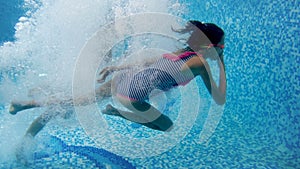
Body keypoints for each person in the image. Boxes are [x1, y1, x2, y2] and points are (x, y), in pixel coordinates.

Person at [9, 20, 226, 137]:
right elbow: (218, 98)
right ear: (212, 46)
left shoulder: (181, 52)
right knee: (168, 127)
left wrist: (116, 67)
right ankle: (116, 112)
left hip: (123, 78)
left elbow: (149, 60)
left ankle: (24, 105)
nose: (221, 50)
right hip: (131, 96)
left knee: (77, 100)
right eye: (221, 46)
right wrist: (221, 63)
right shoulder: (200, 63)